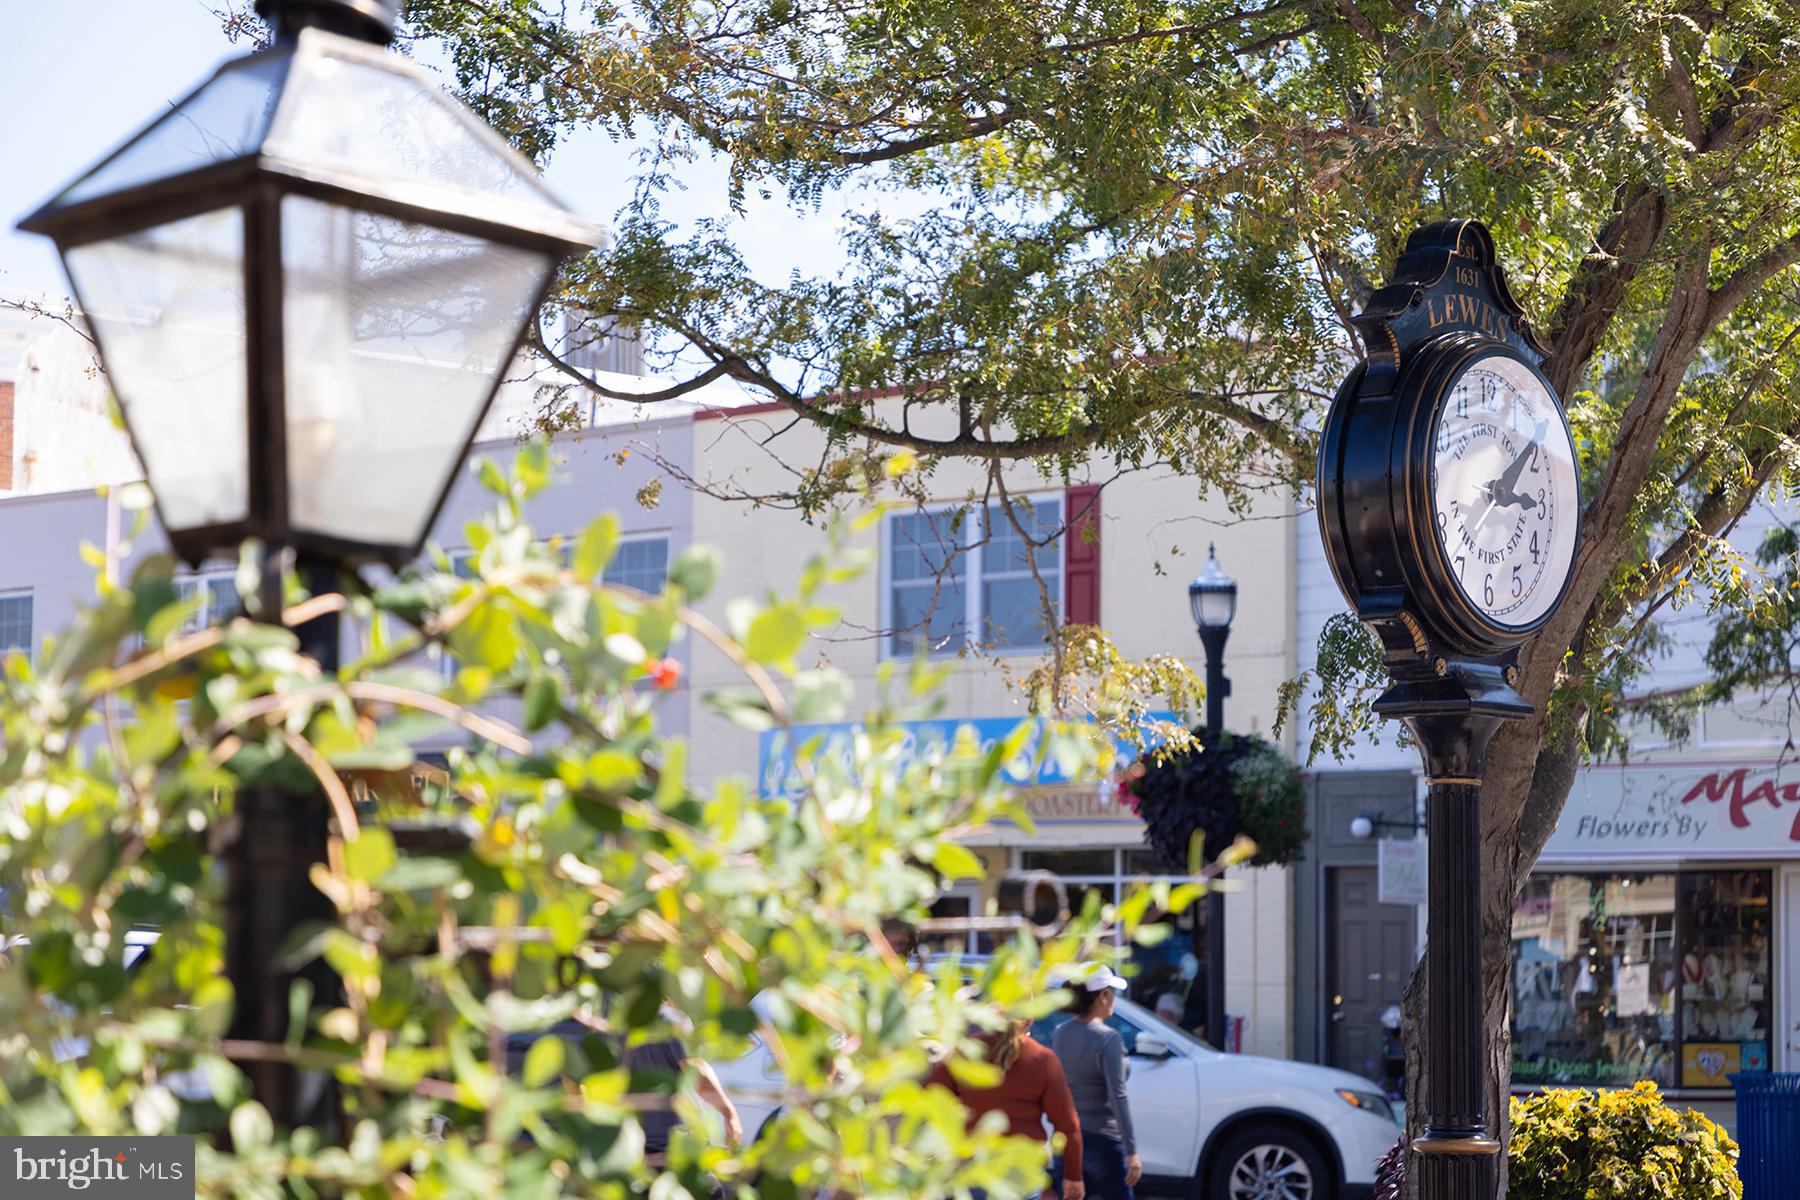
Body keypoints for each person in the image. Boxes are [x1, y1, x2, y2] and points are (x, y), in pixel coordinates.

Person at [928, 1017, 1085, 1200]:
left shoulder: (965, 1052)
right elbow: (1068, 1126)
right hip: (1021, 1173)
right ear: (1030, 1018)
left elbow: (929, 1100)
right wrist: (1073, 1176)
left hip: (971, 1170)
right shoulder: (1043, 1059)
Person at [1051, 967, 1141, 1200]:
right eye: (1112, 992)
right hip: (1103, 1140)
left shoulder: (1060, 1034)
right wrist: (1131, 1151)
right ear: (1102, 996)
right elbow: (1118, 1096)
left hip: (1067, 1139)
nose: (1113, 999)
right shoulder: (1108, 1038)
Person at [625, 1013, 745, 1167]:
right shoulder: (670, 1020)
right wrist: (728, 1113)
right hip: (676, 1143)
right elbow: (695, 1072)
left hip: (631, 1148)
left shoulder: (610, 1021)